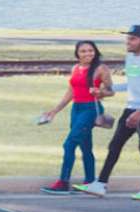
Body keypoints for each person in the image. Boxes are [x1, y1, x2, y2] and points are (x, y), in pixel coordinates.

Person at [78, 25, 140, 201]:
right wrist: (108, 90)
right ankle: (100, 184)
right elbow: (132, 84)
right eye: (128, 38)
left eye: (132, 38)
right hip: (130, 108)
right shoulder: (130, 58)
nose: (128, 42)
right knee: (115, 145)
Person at [41, 41, 114, 194]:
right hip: (76, 109)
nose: (88, 54)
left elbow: (111, 91)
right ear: (77, 54)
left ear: (95, 51)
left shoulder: (101, 68)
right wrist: (55, 110)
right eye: (83, 51)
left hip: (90, 110)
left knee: (69, 144)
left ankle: (63, 183)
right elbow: (71, 92)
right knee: (85, 146)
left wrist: (100, 92)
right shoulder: (75, 68)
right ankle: (90, 182)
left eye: (91, 50)